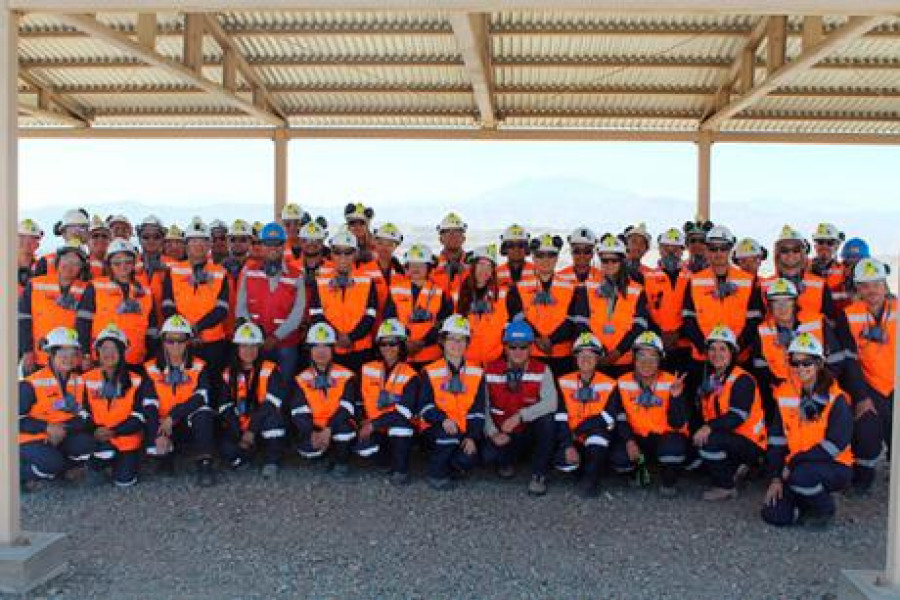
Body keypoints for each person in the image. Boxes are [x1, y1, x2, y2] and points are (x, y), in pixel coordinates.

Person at [761, 332, 853, 528]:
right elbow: (776, 441)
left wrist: (794, 462)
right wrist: (776, 478)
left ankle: (825, 509)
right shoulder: (784, 394)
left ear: (819, 363)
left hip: (834, 465)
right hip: (797, 467)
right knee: (774, 514)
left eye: (807, 362)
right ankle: (806, 500)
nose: (800, 368)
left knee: (802, 476)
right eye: (795, 363)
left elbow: (834, 446)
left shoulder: (836, 398)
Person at [750, 278, 855, 421]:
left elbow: (836, 360)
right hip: (783, 397)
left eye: (787, 301)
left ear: (794, 303)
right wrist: (783, 388)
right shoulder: (762, 331)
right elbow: (761, 370)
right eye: (776, 302)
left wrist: (818, 387)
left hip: (821, 390)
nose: (782, 307)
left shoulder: (817, 322)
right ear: (769, 306)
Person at [836, 258, 896, 495]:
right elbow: (849, 361)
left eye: (877, 284)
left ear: (885, 285)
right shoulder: (848, 316)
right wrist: (861, 397)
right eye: (865, 285)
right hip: (868, 384)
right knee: (867, 430)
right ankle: (863, 479)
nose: (872, 290)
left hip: (896, 384)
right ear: (858, 289)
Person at [483, 320, 557, 496]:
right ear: (505, 348)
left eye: (523, 347)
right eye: (512, 346)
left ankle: (539, 475)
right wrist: (492, 432)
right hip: (502, 434)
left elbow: (551, 402)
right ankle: (506, 462)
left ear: (531, 348)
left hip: (528, 434)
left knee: (548, 421)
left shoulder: (542, 370)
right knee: (487, 456)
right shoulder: (490, 370)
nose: (518, 351)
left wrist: (521, 416)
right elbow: (483, 406)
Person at [141, 314, 217, 486]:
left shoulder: (199, 365)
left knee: (204, 412)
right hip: (163, 424)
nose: (175, 345)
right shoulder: (151, 367)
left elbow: (201, 397)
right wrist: (158, 434)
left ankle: (205, 463)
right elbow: (149, 404)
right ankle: (165, 458)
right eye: (170, 340)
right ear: (163, 341)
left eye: (181, 340)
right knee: (153, 438)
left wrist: (173, 416)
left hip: (187, 420)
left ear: (188, 341)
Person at [610, 332, 689, 497]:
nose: (647, 362)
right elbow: (620, 417)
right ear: (634, 359)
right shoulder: (622, 382)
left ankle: (668, 481)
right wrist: (629, 441)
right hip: (637, 437)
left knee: (673, 451)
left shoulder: (672, 382)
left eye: (653, 357)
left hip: (665, 437)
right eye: (641, 356)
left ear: (660, 360)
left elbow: (677, 423)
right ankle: (639, 472)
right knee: (619, 458)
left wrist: (676, 397)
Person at [694, 326, 767, 501]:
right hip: (730, 436)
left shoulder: (742, 379)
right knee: (695, 446)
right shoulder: (713, 378)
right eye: (712, 349)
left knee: (708, 442)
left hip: (750, 442)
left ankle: (726, 487)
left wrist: (708, 428)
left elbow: (737, 417)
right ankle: (738, 468)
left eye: (722, 349)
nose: (716, 354)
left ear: (732, 353)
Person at [19, 327, 93, 489]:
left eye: (73, 354)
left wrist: (61, 429)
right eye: (63, 354)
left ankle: (61, 469)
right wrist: (46, 428)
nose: (69, 359)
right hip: (30, 438)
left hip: (63, 433)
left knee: (87, 444)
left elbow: (86, 416)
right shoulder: (30, 383)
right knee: (51, 463)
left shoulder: (79, 381)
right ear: (51, 355)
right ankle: (20, 474)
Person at [419, 315, 487, 490]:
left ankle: (449, 463)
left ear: (467, 343)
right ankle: (436, 474)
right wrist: (442, 419)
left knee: (468, 459)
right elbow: (424, 406)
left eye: (461, 339)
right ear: (442, 341)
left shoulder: (477, 372)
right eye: (451, 338)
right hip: (435, 427)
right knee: (447, 437)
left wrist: (472, 437)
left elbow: (478, 411)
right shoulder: (430, 371)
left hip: (463, 429)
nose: (456, 344)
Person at [236, 222, 306, 378]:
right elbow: (240, 308)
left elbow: (297, 313)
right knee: (256, 383)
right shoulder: (249, 271)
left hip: (286, 345)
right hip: (255, 344)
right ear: (261, 245)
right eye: (268, 243)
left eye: (277, 243)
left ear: (284, 245)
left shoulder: (297, 275)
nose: (273, 248)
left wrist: (276, 337)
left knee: (285, 385)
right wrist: (255, 335)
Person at [218, 322, 288, 479]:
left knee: (274, 419)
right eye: (244, 346)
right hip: (240, 424)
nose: (248, 351)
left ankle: (271, 460)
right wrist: (239, 431)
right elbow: (224, 406)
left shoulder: (270, 369)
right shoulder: (228, 373)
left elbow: (271, 404)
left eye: (253, 346)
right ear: (237, 348)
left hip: (263, 421)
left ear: (259, 348)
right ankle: (247, 454)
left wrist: (251, 430)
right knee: (227, 450)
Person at [553, 333, 619, 498]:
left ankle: (591, 480)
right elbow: (560, 416)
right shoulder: (562, 381)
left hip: (594, 434)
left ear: (598, 358)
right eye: (581, 354)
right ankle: (583, 469)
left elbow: (608, 417)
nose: (585, 359)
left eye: (591, 354)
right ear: (575, 358)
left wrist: (579, 430)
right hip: (570, 436)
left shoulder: (610, 383)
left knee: (598, 438)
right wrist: (567, 444)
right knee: (564, 462)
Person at [355, 319, 420, 486]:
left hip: (396, 425)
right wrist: (362, 421)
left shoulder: (411, 375)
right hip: (374, 426)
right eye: (383, 344)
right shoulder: (366, 368)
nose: (388, 348)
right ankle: (383, 462)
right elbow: (358, 400)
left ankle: (400, 470)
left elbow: (404, 412)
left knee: (401, 427)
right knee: (367, 450)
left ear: (401, 346)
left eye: (393, 343)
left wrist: (374, 424)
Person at [289, 323, 359, 476]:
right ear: (309, 350)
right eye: (316, 346)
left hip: (339, 424)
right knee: (308, 450)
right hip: (314, 427)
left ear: (333, 349)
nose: (321, 351)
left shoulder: (347, 375)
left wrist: (328, 429)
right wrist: (312, 432)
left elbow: (347, 407)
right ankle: (325, 452)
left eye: (326, 346)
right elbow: (298, 411)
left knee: (344, 432)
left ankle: (341, 461)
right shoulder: (301, 378)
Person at [161, 217, 230, 372]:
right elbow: (167, 305)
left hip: (212, 342)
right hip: (180, 341)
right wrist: (186, 330)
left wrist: (197, 328)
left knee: (212, 383)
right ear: (186, 245)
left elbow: (222, 309)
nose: (198, 245)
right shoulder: (173, 271)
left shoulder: (220, 273)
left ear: (209, 245)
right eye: (193, 241)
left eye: (203, 241)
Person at [506, 233, 581, 377]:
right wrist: (538, 339)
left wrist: (551, 341)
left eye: (551, 255)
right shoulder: (517, 288)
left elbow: (573, 321)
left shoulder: (572, 287)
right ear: (533, 258)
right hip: (530, 356)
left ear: (557, 258)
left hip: (563, 357)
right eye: (540, 255)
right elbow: (517, 318)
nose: (545, 260)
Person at [76, 239, 158, 368]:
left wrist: (152, 357)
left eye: (127, 262)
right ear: (109, 264)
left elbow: (152, 329)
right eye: (117, 263)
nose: (123, 266)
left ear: (134, 263)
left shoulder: (145, 291)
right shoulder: (96, 287)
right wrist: (85, 354)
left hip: (136, 360)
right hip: (102, 359)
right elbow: (83, 323)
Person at [82, 324, 145, 488]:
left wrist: (114, 431)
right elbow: (81, 412)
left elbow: (139, 417)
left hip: (126, 440)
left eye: (114, 348)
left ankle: (120, 463)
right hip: (97, 437)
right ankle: (96, 464)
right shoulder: (85, 380)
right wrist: (94, 430)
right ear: (97, 352)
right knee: (94, 480)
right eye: (104, 348)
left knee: (125, 482)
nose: (109, 353)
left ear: (122, 352)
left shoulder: (137, 380)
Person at [308, 231, 377, 372]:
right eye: (337, 252)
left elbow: (370, 316)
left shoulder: (368, 281)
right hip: (330, 349)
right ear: (331, 254)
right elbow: (316, 315)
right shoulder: (320, 282)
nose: (343, 257)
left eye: (348, 252)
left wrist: (351, 338)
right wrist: (336, 336)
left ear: (356, 254)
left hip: (361, 350)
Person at [583, 234, 649, 377]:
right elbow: (581, 323)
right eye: (605, 260)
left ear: (622, 261)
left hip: (625, 359)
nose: (609, 264)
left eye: (614, 260)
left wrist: (618, 352)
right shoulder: (588, 287)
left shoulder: (637, 289)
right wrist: (596, 349)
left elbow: (640, 326)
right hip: (594, 358)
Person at [19, 240, 89, 373]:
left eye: (76, 262)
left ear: (81, 267)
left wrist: (85, 355)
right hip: (38, 358)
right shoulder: (34, 285)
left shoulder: (88, 289)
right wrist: (27, 351)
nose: (69, 265)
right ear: (57, 261)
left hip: (71, 360)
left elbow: (87, 326)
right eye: (66, 259)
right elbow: (23, 320)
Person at [384, 243, 452, 370]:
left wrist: (423, 342)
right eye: (412, 264)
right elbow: (389, 320)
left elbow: (443, 322)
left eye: (421, 265)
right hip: (403, 353)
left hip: (432, 355)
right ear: (407, 267)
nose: (416, 268)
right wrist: (404, 343)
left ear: (428, 267)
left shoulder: (439, 292)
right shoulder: (395, 290)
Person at [761, 225, 835, 323]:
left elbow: (831, 321)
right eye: (784, 250)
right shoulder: (764, 286)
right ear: (778, 254)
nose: (790, 254)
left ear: (802, 253)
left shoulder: (820, 285)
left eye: (796, 250)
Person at [643, 227, 691, 371]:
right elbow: (643, 311)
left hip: (685, 345)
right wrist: (660, 334)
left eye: (675, 249)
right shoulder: (647, 277)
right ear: (660, 250)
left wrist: (678, 334)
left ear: (682, 250)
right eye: (666, 248)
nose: (670, 253)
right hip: (657, 343)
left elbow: (696, 312)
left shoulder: (692, 278)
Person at [456, 244, 510, 367]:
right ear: (473, 266)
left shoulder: (504, 293)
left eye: (489, 266)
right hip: (466, 361)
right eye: (480, 264)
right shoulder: (457, 294)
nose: (484, 270)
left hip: (496, 360)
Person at [34, 208, 90, 277]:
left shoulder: (93, 264)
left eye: (82, 228)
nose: (77, 232)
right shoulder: (45, 262)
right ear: (63, 233)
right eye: (73, 228)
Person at [809, 222, 847, 310]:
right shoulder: (804, 268)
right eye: (820, 242)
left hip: (837, 316)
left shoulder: (845, 271)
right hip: (811, 316)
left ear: (837, 246)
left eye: (830, 243)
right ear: (815, 246)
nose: (824, 246)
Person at [432, 212, 469, 298]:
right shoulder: (430, 266)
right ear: (440, 239)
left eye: (457, 232)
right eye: (447, 232)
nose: (452, 235)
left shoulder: (475, 265)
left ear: (464, 238)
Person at [18, 218, 43, 296]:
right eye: (22, 237)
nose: (26, 242)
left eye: (32, 238)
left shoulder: (43, 268)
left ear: (38, 245)